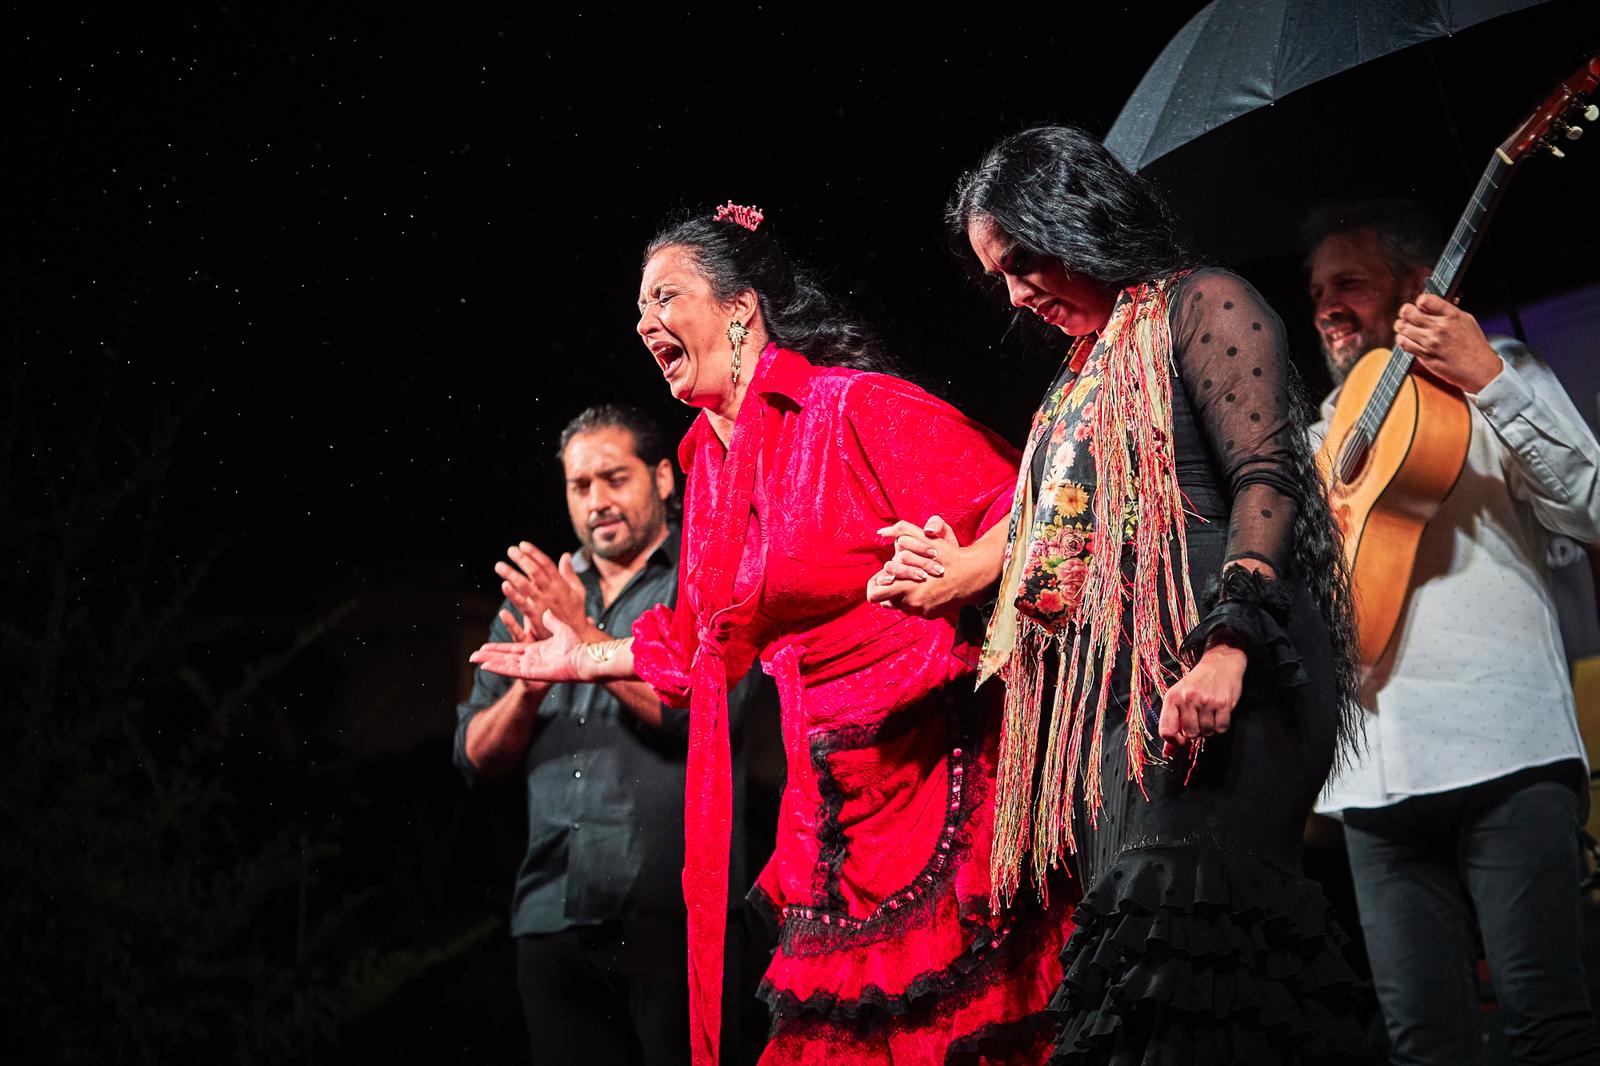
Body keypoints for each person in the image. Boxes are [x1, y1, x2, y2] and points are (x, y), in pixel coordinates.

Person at [472, 202, 1071, 1065]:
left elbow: (1035, 499)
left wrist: (965, 568)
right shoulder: (706, 464)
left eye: (666, 297)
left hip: (932, 786)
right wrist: (581, 657)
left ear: (741, 310)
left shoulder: (850, 406)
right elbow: (695, 647)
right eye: (639, 308)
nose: (645, 323)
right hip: (826, 815)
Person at [869, 126, 1373, 1063]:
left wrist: (1230, 648)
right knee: (1161, 981)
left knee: (1197, 944)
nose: (1015, 293)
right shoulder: (1081, 377)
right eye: (999, 275)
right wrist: (957, 571)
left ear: (1083, 221)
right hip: (1121, 701)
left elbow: (1269, 476)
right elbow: (1052, 532)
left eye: (1024, 260)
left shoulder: (1203, 303)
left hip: (1226, 665)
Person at [1305, 197, 1600, 1065]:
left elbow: (1591, 506)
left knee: (1547, 1021)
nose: (1325, 305)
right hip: (1373, 782)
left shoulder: (1496, 370)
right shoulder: (1322, 433)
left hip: (1503, 750)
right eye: (1316, 288)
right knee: (1423, 1044)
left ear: (1417, 286)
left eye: (1349, 283)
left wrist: (1490, 381)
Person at [453, 403, 763, 1066]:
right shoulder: (536, 601)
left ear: (662, 478)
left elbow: (702, 713)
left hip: (675, 914)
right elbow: (475, 758)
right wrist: (530, 688)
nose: (597, 500)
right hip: (551, 910)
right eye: (580, 485)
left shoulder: (704, 581)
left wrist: (581, 638)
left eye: (614, 479)